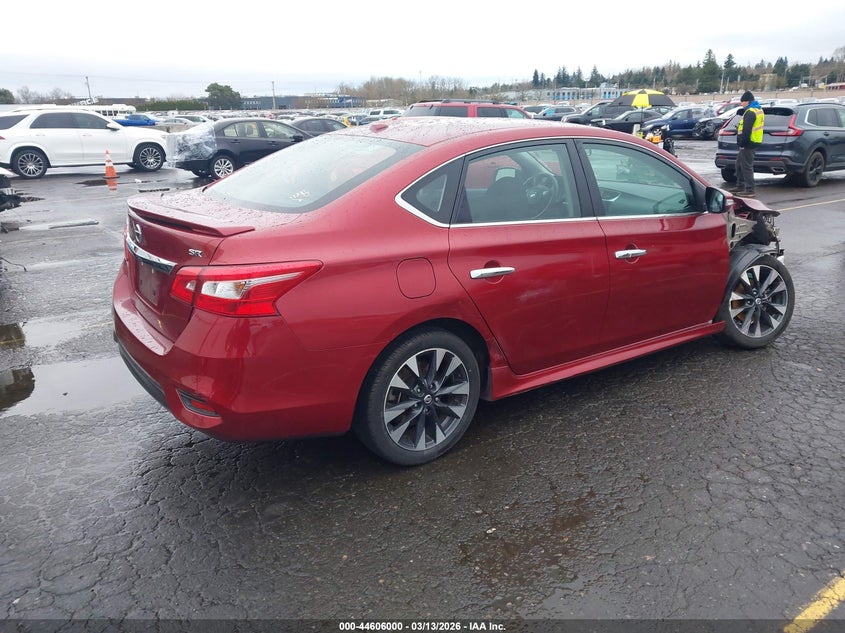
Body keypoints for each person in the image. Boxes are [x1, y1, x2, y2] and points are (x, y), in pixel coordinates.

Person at [731, 91, 765, 197]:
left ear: (747, 101)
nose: (741, 104)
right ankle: (740, 185)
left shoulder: (750, 112)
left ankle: (750, 190)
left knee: (746, 166)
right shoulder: (757, 110)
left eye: (742, 102)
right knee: (739, 164)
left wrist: (742, 143)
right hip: (752, 141)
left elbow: (747, 130)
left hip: (748, 143)